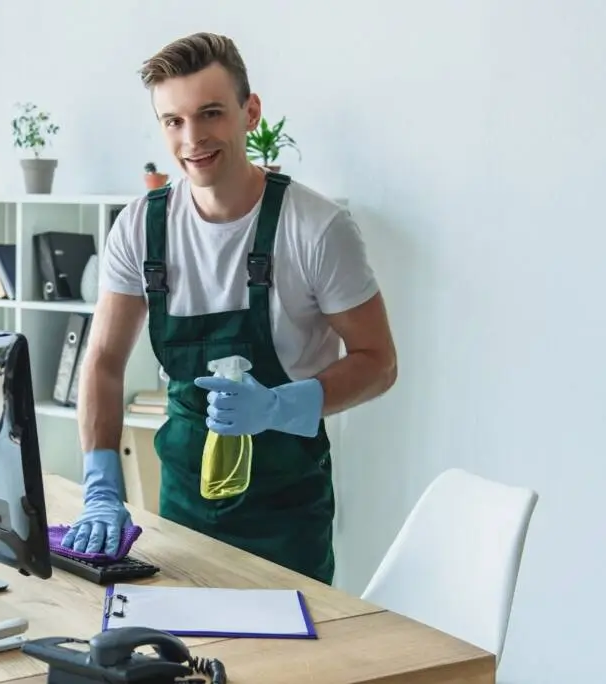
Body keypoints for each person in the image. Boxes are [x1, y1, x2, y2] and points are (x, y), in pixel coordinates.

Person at [59, 32, 397, 585]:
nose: (192, 138)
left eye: (210, 113)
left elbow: (379, 361)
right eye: (173, 121)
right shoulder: (141, 228)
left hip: (287, 517)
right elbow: (102, 362)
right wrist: (101, 485)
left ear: (250, 112)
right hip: (182, 509)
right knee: (184, 663)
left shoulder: (317, 229)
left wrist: (282, 406)